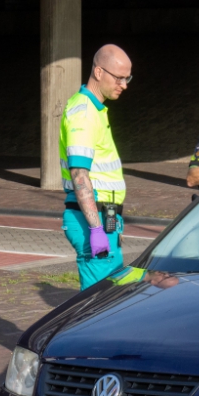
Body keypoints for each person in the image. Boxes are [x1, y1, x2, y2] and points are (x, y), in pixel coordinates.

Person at [60, 44, 132, 290]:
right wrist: (97, 228)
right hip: (94, 219)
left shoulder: (95, 110)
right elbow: (79, 175)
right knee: (97, 306)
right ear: (99, 73)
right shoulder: (84, 113)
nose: (124, 85)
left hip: (105, 216)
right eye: (119, 78)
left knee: (109, 300)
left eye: (127, 78)